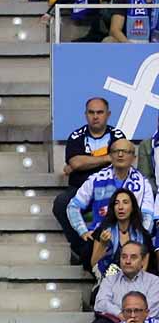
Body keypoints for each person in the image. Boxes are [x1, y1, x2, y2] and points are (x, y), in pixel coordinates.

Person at [54, 97, 126, 255]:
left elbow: (122, 162)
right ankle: (81, 248)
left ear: (108, 114)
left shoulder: (117, 135)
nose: (95, 116)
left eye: (100, 112)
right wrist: (108, 157)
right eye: (91, 112)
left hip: (110, 188)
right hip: (80, 188)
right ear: (85, 114)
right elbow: (76, 163)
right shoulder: (76, 136)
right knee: (61, 203)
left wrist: (86, 161)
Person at [66, 138, 155, 265]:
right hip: (101, 237)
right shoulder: (96, 179)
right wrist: (83, 231)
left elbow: (147, 215)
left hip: (132, 237)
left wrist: (140, 238)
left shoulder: (143, 183)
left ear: (133, 158)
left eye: (125, 151)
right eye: (116, 151)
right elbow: (73, 206)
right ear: (110, 155)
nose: (120, 154)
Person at [89, 188, 151, 281]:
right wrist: (102, 244)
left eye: (125, 202)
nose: (120, 207)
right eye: (117, 203)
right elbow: (94, 264)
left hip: (134, 285)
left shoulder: (143, 236)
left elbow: (143, 267)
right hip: (107, 283)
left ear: (133, 207)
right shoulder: (103, 231)